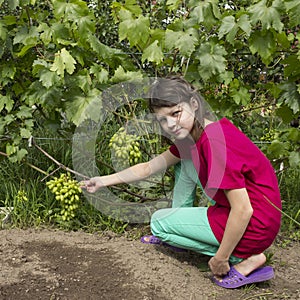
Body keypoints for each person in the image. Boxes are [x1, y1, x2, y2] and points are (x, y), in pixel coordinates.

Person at [82, 76, 282, 289]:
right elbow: (150, 167)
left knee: (159, 223)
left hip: (254, 224)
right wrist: (102, 181)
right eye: (162, 120)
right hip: (257, 217)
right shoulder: (198, 134)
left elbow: (243, 210)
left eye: (175, 113)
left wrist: (220, 259)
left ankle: (243, 259)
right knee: (184, 163)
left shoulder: (215, 142)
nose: (170, 124)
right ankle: (188, 231)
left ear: (194, 105)